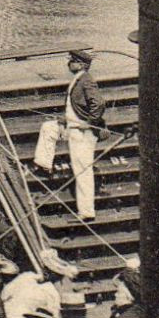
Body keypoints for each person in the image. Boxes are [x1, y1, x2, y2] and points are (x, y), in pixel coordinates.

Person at [33, 50, 107, 220]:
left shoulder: (86, 80)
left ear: (81, 64)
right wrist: (66, 119)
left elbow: (99, 103)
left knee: (82, 171)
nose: (69, 64)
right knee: (49, 127)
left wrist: (89, 122)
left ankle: (87, 212)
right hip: (72, 127)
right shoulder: (79, 79)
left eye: (72, 61)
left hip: (83, 133)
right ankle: (44, 164)